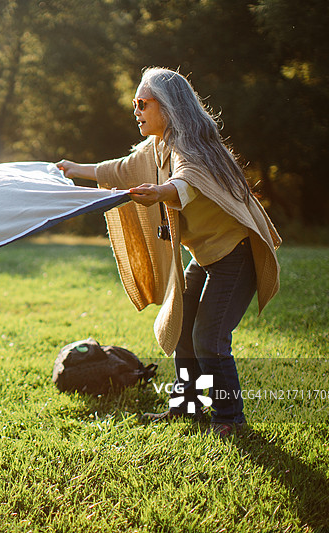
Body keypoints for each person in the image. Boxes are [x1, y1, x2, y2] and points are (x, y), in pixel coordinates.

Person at [57, 67, 281, 437]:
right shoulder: (156, 148)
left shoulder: (193, 147)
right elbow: (120, 169)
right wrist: (73, 169)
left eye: (143, 103)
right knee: (181, 331)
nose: (136, 111)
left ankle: (230, 418)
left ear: (169, 106)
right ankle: (187, 408)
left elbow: (187, 179)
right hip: (205, 257)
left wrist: (162, 193)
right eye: (135, 104)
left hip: (235, 256)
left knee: (209, 339)